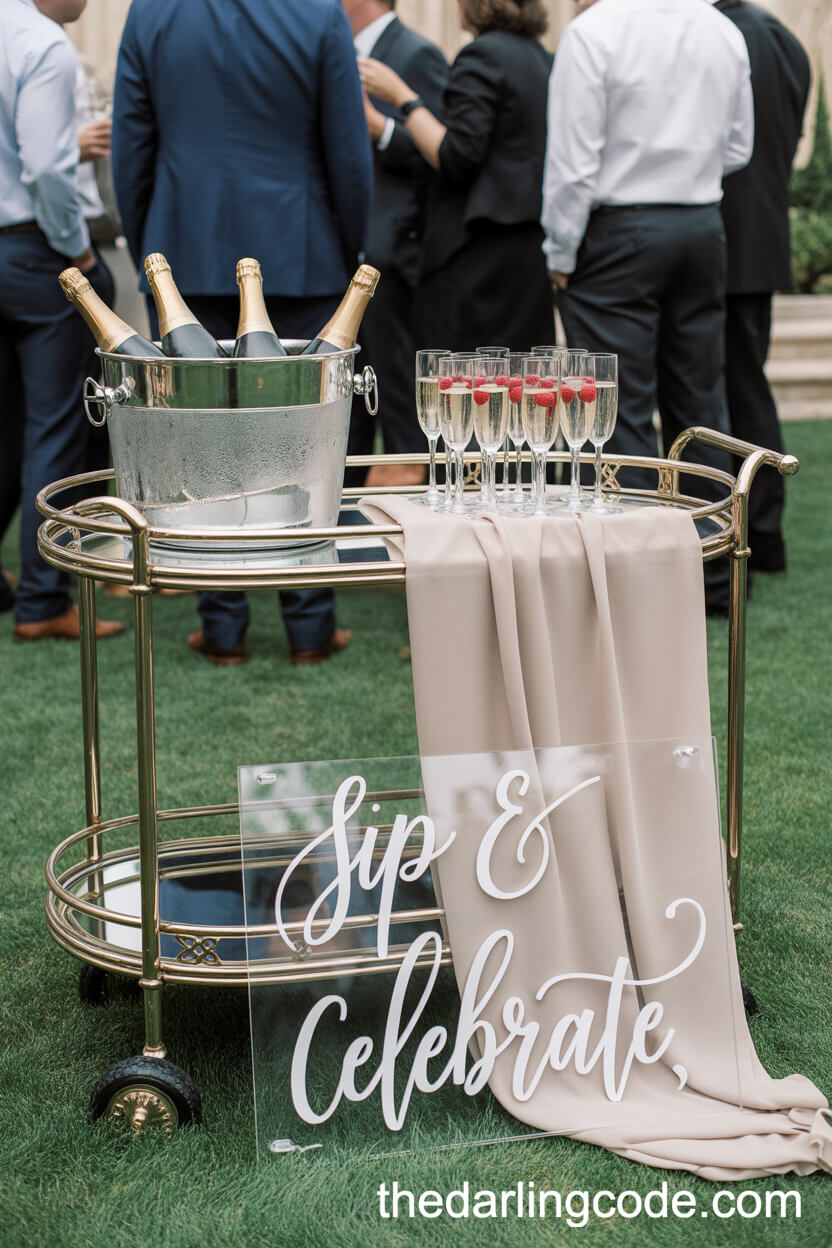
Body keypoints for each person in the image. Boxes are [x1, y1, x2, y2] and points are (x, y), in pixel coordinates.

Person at [112, 0, 373, 666]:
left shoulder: (150, 14)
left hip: (185, 241)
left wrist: (151, 246)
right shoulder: (321, 14)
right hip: (300, 244)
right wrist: (347, 247)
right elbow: (348, 151)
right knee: (305, 440)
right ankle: (310, 624)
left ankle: (222, 623)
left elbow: (130, 149)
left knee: (198, 444)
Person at [541, 0, 754, 615]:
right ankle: (713, 578)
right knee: (700, 400)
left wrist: (560, 249)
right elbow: (739, 147)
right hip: (700, 225)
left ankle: (637, 586)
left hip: (619, 231)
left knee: (619, 409)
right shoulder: (722, 29)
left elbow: (573, 165)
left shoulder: (592, 31)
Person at [0, 0, 123, 641]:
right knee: (55, 427)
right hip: (38, 251)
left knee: (4, 425)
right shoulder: (42, 43)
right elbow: (47, 169)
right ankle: (43, 601)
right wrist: (79, 251)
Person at [358, 0, 554, 354]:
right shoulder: (541, 57)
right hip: (528, 252)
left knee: (462, 376)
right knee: (519, 375)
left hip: (479, 260)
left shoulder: (482, 55)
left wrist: (403, 98)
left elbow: (457, 156)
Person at [717, 0, 810, 575]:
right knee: (748, 383)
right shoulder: (786, 39)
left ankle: (743, 534)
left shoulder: (716, 33)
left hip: (720, 232)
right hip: (763, 235)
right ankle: (765, 534)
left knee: (727, 390)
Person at [342, 0, 448, 489]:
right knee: (347, 413)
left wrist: (381, 129)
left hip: (394, 263)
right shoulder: (337, 53)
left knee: (398, 406)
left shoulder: (416, 54)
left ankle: (413, 521)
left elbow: (446, 156)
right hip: (342, 262)